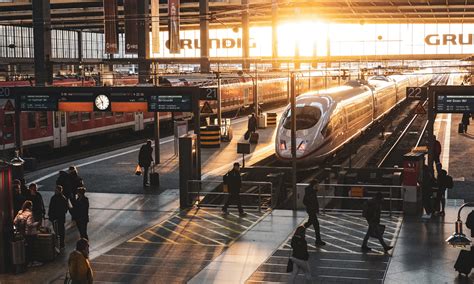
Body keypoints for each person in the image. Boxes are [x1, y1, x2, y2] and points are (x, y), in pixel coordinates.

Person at [14, 201, 41, 267]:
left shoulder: (20, 212)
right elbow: (29, 224)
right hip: (30, 233)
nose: (32, 207)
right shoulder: (30, 214)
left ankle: (27, 261)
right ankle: (32, 262)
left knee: (27, 248)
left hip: (23, 233)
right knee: (32, 248)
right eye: (31, 206)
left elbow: (15, 221)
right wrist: (37, 223)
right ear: (29, 206)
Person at [303, 180, 326, 246]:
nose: (318, 186)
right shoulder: (310, 192)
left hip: (312, 210)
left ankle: (300, 230)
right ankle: (318, 241)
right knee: (316, 225)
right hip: (311, 211)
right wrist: (311, 207)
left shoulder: (312, 191)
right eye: (317, 184)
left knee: (309, 223)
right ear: (315, 185)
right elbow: (306, 201)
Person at [48, 185, 69, 249]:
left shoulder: (53, 198)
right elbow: (66, 208)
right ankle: (61, 243)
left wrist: (50, 215)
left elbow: (51, 207)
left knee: (56, 231)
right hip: (61, 217)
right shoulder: (63, 198)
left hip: (55, 217)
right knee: (61, 231)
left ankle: (57, 243)